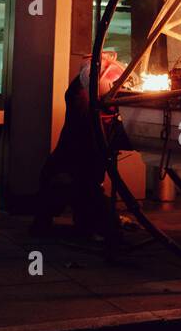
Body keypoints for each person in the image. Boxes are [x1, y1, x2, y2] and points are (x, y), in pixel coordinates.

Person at [30, 52, 128, 260]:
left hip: (83, 146)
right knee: (79, 184)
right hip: (82, 145)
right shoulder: (85, 88)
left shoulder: (87, 85)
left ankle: (94, 226)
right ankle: (100, 228)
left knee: (79, 183)